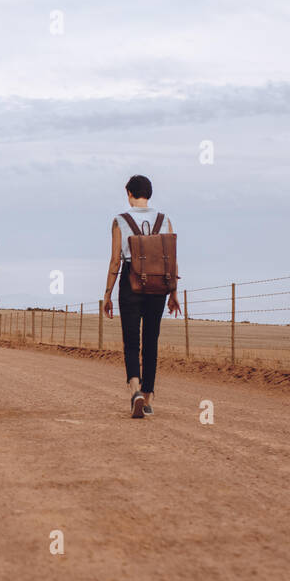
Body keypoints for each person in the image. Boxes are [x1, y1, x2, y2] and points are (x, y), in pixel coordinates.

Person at [102, 174, 180, 418]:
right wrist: (174, 292)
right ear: (149, 194)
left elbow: (116, 260)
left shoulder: (119, 220)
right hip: (158, 284)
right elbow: (172, 258)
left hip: (131, 281)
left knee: (131, 340)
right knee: (151, 341)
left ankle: (134, 389)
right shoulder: (165, 219)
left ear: (129, 194)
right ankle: (148, 399)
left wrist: (107, 294)